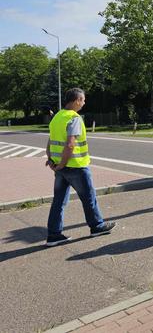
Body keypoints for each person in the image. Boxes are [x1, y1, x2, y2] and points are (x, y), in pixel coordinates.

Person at [45, 88, 115, 247]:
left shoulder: (57, 117)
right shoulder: (74, 118)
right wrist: (62, 163)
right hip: (76, 166)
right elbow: (70, 144)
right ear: (76, 100)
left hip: (60, 168)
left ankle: (54, 234)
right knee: (89, 197)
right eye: (83, 100)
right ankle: (97, 226)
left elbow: (50, 141)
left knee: (59, 201)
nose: (84, 103)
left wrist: (51, 160)